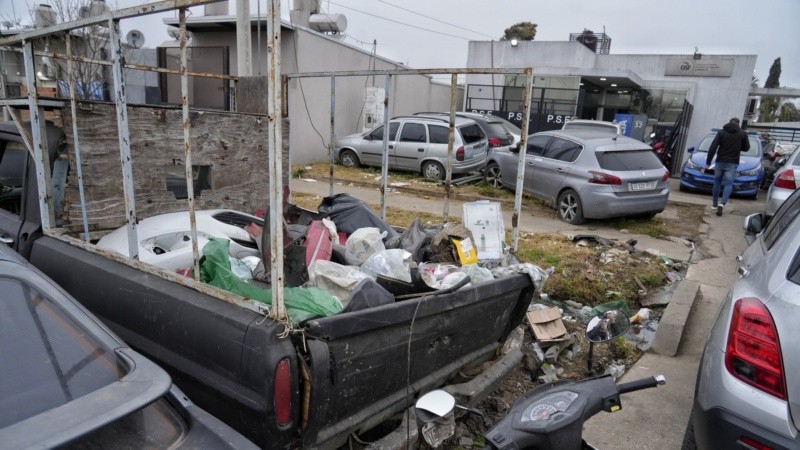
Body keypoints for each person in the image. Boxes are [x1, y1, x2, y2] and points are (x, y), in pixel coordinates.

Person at [704, 117, 750, 216]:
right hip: (733, 163)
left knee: (717, 182)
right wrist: (739, 145)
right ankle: (722, 204)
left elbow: (713, 147)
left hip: (720, 161)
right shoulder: (743, 133)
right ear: (738, 124)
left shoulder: (721, 132)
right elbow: (746, 148)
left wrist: (708, 162)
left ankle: (714, 204)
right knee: (728, 184)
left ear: (729, 123)